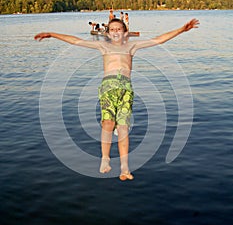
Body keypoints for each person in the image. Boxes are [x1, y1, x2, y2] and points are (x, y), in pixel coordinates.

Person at [34, 17, 199, 181]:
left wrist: (182, 30)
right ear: (107, 33)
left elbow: (158, 40)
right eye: (112, 29)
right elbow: (76, 41)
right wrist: (52, 34)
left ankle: (124, 167)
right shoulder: (103, 46)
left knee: (123, 128)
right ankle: (105, 159)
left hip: (126, 89)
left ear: (125, 33)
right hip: (108, 88)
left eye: (118, 29)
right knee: (108, 123)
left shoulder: (132, 46)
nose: (115, 32)